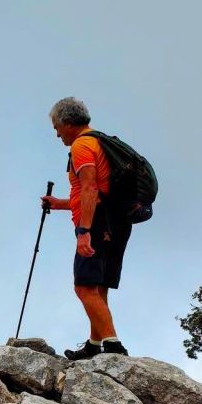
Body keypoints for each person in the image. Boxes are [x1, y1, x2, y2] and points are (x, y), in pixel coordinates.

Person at [41, 97, 132, 360]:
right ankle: (94, 344)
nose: (57, 134)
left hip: (97, 223)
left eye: (57, 127)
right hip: (116, 220)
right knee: (97, 284)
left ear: (68, 122)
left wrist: (84, 232)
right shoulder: (100, 141)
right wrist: (59, 204)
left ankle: (114, 349)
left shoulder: (82, 146)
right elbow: (98, 192)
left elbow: (90, 188)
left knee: (83, 287)